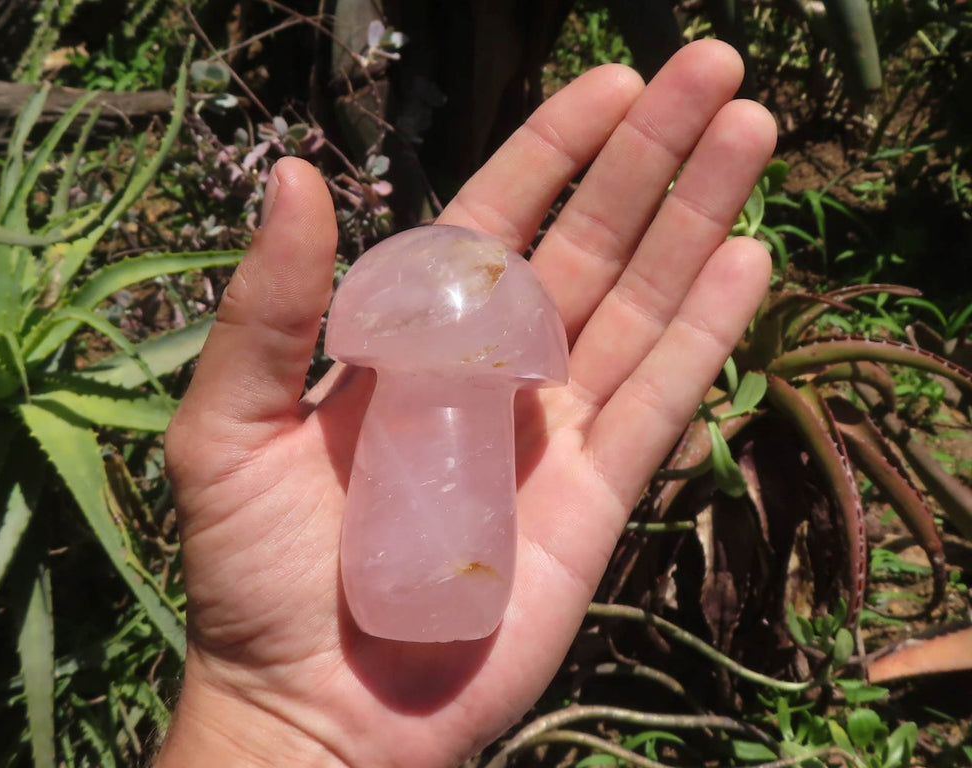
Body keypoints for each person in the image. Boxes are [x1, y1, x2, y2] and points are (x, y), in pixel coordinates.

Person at [155, 39, 777, 768]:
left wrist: (265, 729)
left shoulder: (483, 314)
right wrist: (271, 721)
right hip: (379, 611)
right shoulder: (410, 304)